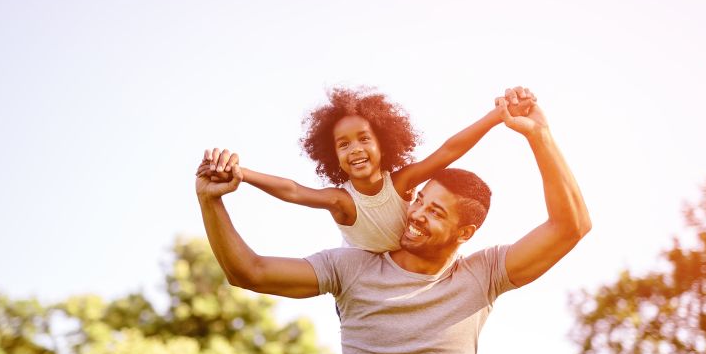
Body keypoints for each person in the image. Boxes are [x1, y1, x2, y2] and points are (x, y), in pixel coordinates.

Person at [196, 88, 591, 354]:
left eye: (436, 212)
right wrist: (211, 201)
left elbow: (571, 226)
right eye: (420, 199)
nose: (417, 213)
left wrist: (539, 135)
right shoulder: (352, 269)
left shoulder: (482, 275)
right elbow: (248, 271)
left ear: (464, 233)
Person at [205, 86, 534, 253]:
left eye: (364, 139)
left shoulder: (401, 182)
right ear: (333, 156)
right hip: (362, 287)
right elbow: (293, 190)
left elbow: (448, 151)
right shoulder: (342, 201)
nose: (356, 150)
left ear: (384, 143)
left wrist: (496, 117)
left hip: (410, 272)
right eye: (343, 145)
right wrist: (243, 174)